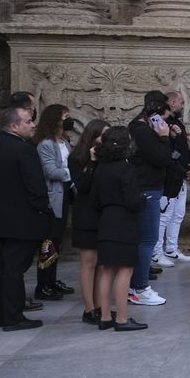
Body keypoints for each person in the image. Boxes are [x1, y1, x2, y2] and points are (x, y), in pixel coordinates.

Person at [0, 106, 50, 332]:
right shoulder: (23, 150)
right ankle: (13, 317)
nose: (33, 125)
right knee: (14, 269)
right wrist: (42, 211)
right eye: (28, 121)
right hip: (22, 220)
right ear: (14, 126)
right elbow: (36, 186)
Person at [93, 127, 148, 332]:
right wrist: (143, 200)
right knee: (125, 271)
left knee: (107, 270)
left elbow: (95, 199)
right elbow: (132, 200)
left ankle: (105, 317)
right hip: (124, 222)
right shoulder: (126, 169)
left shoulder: (101, 168)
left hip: (106, 221)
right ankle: (122, 319)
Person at [126, 92, 173, 306]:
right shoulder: (142, 131)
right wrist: (163, 137)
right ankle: (140, 287)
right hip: (147, 189)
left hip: (151, 188)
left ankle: (136, 284)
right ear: (155, 115)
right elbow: (161, 158)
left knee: (145, 239)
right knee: (147, 239)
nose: (166, 122)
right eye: (164, 118)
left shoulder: (142, 129)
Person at [33, 104, 73, 302]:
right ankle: (43, 283)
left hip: (65, 193)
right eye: (65, 116)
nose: (68, 120)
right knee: (48, 242)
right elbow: (51, 171)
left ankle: (52, 279)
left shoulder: (65, 141)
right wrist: (71, 172)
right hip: (53, 196)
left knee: (57, 240)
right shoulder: (46, 144)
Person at [69, 120, 107, 325]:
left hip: (103, 213)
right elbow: (82, 186)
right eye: (104, 135)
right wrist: (92, 163)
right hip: (85, 213)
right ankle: (89, 308)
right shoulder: (77, 158)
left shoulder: (108, 157)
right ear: (93, 136)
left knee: (101, 263)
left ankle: (99, 305)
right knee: (88, 262)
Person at [155, 90, 190, 269]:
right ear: (171, 103)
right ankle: (157, 253)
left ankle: (171, 248)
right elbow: (168, 151)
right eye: (181, 103)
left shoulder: (177, 122)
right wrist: (182, 166)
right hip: (170, 176)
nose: (182, 106)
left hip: (181, 175)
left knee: (178, 214)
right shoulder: (163, 124)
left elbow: (183, 147)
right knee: (164, 215)